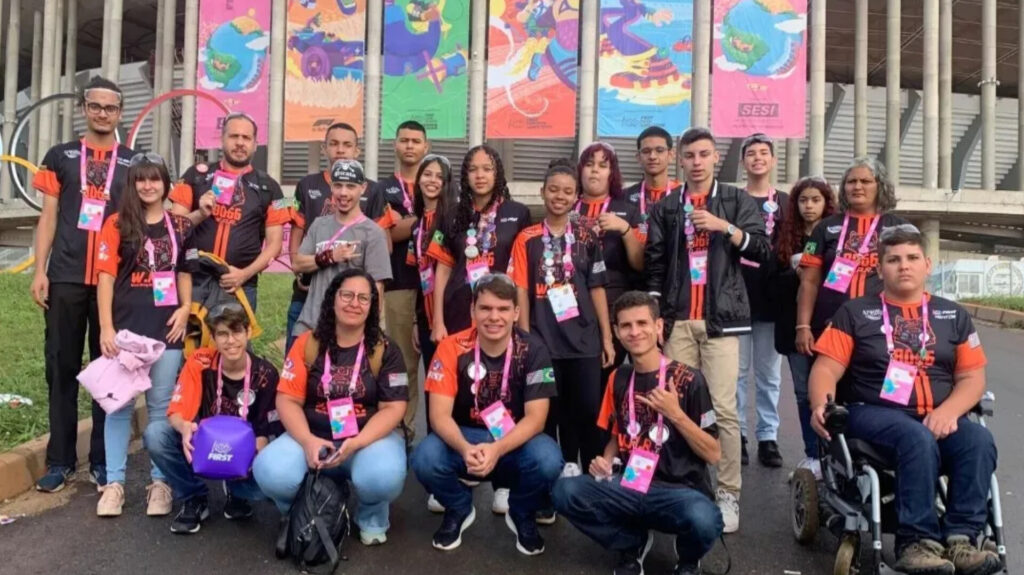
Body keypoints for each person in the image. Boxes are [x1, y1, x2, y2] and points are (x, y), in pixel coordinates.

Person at [810, 226, 1000, 575]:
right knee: (916, 438)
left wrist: (949, 412)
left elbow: (972, 378)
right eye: (893, 260)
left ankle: (962, 539)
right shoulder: (855, 313)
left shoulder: (953, 315)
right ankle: (917, 543)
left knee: (978, 440)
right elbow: (826, 368)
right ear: (880, 269)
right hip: (872, 414)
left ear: (928, 265)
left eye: (912, 258)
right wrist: (821, 404)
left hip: (937, 415)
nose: (904, 266)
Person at [644, 127, 771, 534]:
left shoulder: (736, 200)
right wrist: (656, 315)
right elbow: (655, 263)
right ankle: (682, 483)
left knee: (724, 409)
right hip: (678, 320)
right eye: (690, 155)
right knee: (676, 406)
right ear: (680, 160)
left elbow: (762, 250)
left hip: (722, 320)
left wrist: (725, 227)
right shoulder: (667, 206)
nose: (697, 162)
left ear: (716, 157)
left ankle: (728, 492)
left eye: (704, 154)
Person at [553, 291, 723, 575]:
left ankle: (688, 557)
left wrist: (676, 414)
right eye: (626, 326)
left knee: (705, 519)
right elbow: (616, 434)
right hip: (631, 484)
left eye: (642, 323)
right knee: (565, 491)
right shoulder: (618, 378)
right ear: (617, 332)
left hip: (680, 490)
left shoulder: (689, 379)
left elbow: (714, 453)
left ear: (658, 327)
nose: (634, 332)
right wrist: (607, 461)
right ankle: (632, 542)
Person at [30, 77, 137, 492]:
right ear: (83, 108)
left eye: (110, 108)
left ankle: (102, 460)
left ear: (120, 113)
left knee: (107, 370)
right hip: (67, 276)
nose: (102, 114)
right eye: (95, 106)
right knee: (61, 368)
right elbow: (48, 216)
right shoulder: (60, 156)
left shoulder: (133, 162)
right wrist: (40, 270)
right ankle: (60, 461)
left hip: (113, 282)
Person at [253, 270, 409, 547]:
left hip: (365, 442)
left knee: (383, 475)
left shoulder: (385, 349)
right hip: (313, 439)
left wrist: (357, 442)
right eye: (347, 295)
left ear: (372, 305)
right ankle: (301, 509)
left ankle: (372, 514)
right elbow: (287, 400)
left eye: (363, 298)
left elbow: (393, 408)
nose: (354, 303)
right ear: (332, 299)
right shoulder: (308, 344)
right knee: (269, 470)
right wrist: (307, 440)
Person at [411, 274, 563, 555]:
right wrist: (465, 448)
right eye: (485, 308)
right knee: (424, 458)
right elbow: (439, 416)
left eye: (503, 309)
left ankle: (521, 511)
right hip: (464, 437)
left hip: (512, 439)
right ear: (473, 311)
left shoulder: (534, 349)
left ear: (516, 312)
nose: (494, 317)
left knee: (549, 460)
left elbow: (536, 419)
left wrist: (497, 449)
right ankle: (458, 507)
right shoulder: (450, 347)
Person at [427, 145, 532, 514]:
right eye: (473, 169)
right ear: (465, 175)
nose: (480, 175)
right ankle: (454, 476)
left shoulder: (518, 213)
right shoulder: (451, 212)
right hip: (460, 311)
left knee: (504, 391)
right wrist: (437, 319)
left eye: (487, 168)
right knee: (457, 394)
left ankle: (504, 480)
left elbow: (522, 270)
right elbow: (442, 268)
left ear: (497, 172)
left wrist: (522, 324)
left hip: (499, 316)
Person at [94, 153, 196, 516]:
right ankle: (114, 484)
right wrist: (106, 327)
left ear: (166, 184)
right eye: (141, 179)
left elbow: (185, 271)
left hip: (167, 328)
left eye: (155, 179)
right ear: (132, 183)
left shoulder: (180, 226)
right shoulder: (116, 223)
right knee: (119, 406)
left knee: (160, 409)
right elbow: (105, 278)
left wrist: (186, 308)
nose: (148, 186)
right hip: (125, 331)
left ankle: (160, 483)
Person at [510, 159, 615, 472]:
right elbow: (521, 290)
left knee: (586, 410)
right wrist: (525, 338)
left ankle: (589, 475)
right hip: (543, 341)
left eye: (568, 191)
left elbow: (597, 288)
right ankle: (552, 474)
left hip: (584, 340)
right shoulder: (526, 238)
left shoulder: (587, 236)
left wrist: (607, 338)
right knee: (548, 413)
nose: (560, 196)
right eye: (553, 189)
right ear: (542, 192)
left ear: (576, 197)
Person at [145, 303, 282, 534]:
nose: (231, 341)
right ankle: (194, 496)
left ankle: (238, 491)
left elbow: (265, 433)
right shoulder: (200, 362)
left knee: (272, 485)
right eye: (222, 334)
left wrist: (237, 465)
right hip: (203, 445)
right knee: (156, 434)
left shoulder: (265, 373)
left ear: (248, 332)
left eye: (237, 331)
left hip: (245, 455)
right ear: (213, 337)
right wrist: (183, 426)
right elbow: (176, 412)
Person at [286, 122, 390, 354]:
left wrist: (371, 330)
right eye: (339, 185)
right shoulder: (319, 224)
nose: (344, 193)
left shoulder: (373, 232)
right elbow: (298, 263)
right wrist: (329, 256)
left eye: (350, 186)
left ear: (362, 188)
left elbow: (377, 287)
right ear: (331, 187)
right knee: (294, 376)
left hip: (348, 332)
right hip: (309, 324)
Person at [169, 113, 290, 309]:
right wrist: (200, 213)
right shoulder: (195, 176)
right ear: (222, 139)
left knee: (235, 332)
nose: (240, 143)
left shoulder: (271, 187)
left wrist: (244, 274)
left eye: (246, 138)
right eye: (234, 136)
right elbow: (171, 228)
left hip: (241, 285)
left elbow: (275, 245)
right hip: (193, 280)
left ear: (255, 144)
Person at [796, 157, 910, 358]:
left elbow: (912, 280)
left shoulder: (899, 228)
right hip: (831, 324)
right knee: (826, 377)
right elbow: (809, 281)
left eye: (865, 181)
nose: (857, 187)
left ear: (880, 186)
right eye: (851, 182)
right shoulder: (824, 227)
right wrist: (803, 326)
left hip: (882, 326)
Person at [771, 177, 836, 478]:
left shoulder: (837, 235)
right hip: (794, 326)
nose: (809, 206)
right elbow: (771, 281)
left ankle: (836, 457)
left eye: (816, 200)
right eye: (803, 200)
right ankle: (813, 455)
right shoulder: (785, 237)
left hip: (830, 327)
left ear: (827, 203)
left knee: (833, 394)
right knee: (802, 392)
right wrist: (794, 273)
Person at [735, 133, 788, 468]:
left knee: (769, 375)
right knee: (736, 374)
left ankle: (768, 437)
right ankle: (738, 435)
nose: (757, 158)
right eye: (751, 153)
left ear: (773, 160)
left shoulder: (785, 201)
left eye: (763, 153)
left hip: (772, 300)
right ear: (743, 161)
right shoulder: (732, 199)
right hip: (737, 298)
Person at [572, 142, 644, 380]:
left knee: (606, 376)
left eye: (603, 165)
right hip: (572, 303)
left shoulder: (627, 210)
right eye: (589, 164)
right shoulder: (568, 207)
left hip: (614, 303)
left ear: (612, 173)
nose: (595, 170)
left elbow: (640, 264)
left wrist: (625, 230)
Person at [379, 121, 431, 435]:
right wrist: (423, 219)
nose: (410, 146)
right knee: (404, 364)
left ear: (426, 147)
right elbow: (386, 234)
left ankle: (441, 433)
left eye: (416, 141)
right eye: (404, 140)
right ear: (395, 145)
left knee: (439, 364)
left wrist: (404, 222)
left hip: (435, 288)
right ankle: (405, 432)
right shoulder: (381, 188)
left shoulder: (435, 182)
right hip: (399, 284)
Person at [406, 154, 452, 414]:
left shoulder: (453, 218)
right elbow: (417, 275)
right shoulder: (417, 225)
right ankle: (434, 435)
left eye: (439, 177)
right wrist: (417, 320)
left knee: (451, 382)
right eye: (427, 174)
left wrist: (440, 319)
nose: (432, 180)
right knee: (432, 382)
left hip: (450, 315)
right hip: (426, 315)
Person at [624, 126, 680, 243]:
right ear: (638, 157)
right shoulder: (624, 197)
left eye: (659, 150)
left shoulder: (684, 195)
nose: (652, 156)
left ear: (671, 155)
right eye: (646, 151)